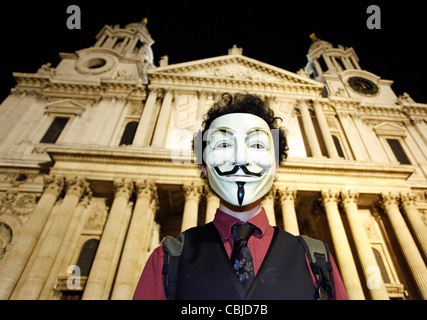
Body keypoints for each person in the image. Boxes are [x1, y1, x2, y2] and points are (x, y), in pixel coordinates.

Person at [133, 93, 348, 300]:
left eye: (257, 145)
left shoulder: (317, 260)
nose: (240, 158)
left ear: (275, 165)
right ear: (204, 167)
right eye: (224, 145)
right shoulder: (166, 260)